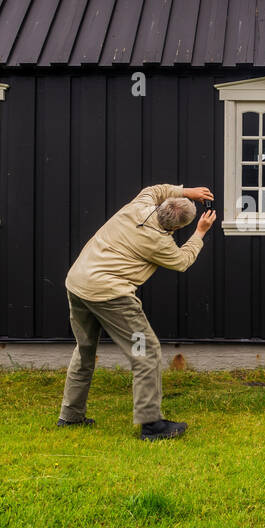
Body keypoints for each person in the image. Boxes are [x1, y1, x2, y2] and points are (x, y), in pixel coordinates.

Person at [61, 185, 218, 440]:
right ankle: (151, 425)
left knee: (85, 349)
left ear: (161, 207)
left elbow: (154, 189)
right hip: (110, 296)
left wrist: (187, 192)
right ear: (176, 229)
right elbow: (182, 261)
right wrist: (200, 232)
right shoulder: (160, 242)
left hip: (77, 284)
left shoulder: (138, 207)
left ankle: (70, 416)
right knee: (146, 351)